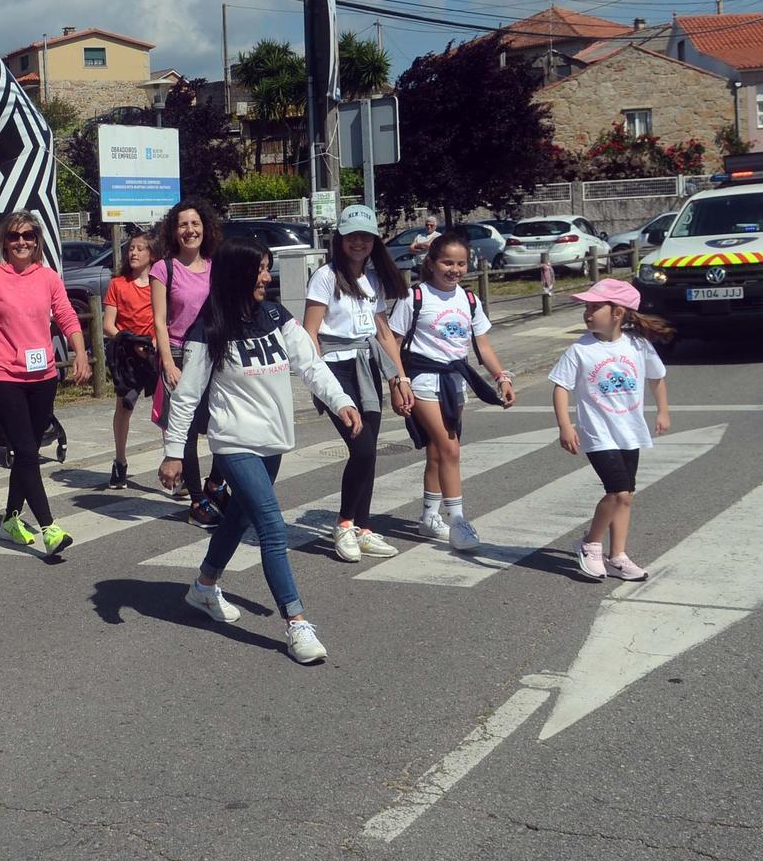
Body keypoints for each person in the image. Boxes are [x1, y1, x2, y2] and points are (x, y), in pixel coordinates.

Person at [164, 238, 362, 666]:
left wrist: (340, 400)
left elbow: (310, 364)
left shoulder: (274, 316)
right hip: (234, 443)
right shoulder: (209, 328)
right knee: (272, 528)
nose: (267, 277)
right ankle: (297, 623)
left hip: (272, 441)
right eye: (260, 270)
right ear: (237, 273)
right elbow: (186, 396)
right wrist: (173, 451)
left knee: (239, 516)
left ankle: (203, 586)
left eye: (268, 268)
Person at [0, 210, 89, 555]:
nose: (22, 242)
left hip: (44, 377)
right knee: (27, 452)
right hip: (5, 377)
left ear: (37, 240)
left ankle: (9, 521)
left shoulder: (47, 276)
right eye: (15, 236)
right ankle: (49, 528)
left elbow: (65, 314)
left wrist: (80, 353)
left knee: (27, 453)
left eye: (28, 235)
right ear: (4, 241)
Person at [387, 229, 516, 553]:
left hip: (456, 381)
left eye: (460, 264)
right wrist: (398, 383)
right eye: (447, 262)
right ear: (431, 262)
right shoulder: (414, 297)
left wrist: (502, 376)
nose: (454, 269)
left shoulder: (469, 299)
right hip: (423, 381)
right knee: (451, 450)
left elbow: (482, 345)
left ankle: (429, 517)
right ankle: (457, 521)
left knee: (437, 451)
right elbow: (392, 343)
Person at [301, 204, 412, 561]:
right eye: (352, 236)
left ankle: (363, 528)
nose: (359, 243)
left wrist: (399, 377)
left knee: (369, 452)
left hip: (367, 366)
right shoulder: (325, 277)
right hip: (337, 369)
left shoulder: (374, 279)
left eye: (366, 236)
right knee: (361, 448)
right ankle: (345, 523)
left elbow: (383, 332)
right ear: (340, 239)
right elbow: (310, 333)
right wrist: (319, 382)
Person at [551, 278, 672, 582]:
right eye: (587, 307)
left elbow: (656, 378)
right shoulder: (580, 349)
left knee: (627, 496)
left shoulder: (637, 344)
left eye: (595, 307)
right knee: (616, 491)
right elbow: (561, 388)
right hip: (597, 433)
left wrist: (663, 411)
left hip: (629, 431)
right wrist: (565, 425)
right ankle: (590, 543)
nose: (587, 313)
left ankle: (617, 555)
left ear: (617, 313)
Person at [150, 199, 224, 523]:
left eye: (195, 224)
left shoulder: (216, 265)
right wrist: (168, 363)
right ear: (173, 230)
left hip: (215, 354)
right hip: (181, 355)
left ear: (205, 228)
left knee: (227, 423)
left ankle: (215, 484)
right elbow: (159, 320)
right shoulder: (164, 268)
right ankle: (196, 502)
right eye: (183, 225)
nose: (189, 230)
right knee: (188, 430)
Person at [102, 230, 158, 489]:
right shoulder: (118, 284)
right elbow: (108, 325)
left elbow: (165, 320)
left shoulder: (160, 284)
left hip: (155, 352)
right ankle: (120, 461)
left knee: (167, 409)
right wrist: (131, 342)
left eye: (139, 248)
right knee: (124, 407)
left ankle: (177, 463)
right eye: (131, 248)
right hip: (127, 354)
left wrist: (155, 344)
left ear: (151, 254)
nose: (133, 253)